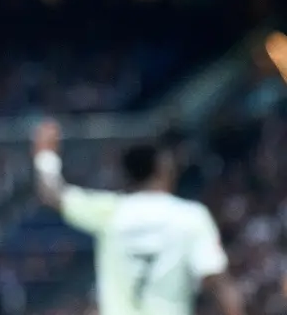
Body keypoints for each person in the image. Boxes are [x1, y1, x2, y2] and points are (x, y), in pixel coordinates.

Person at [31, 119, 244, 315]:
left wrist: (45, 154)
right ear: (165, 169)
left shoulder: (110, 212)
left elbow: (52, 194)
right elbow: (218, 283)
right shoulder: (190, 217)